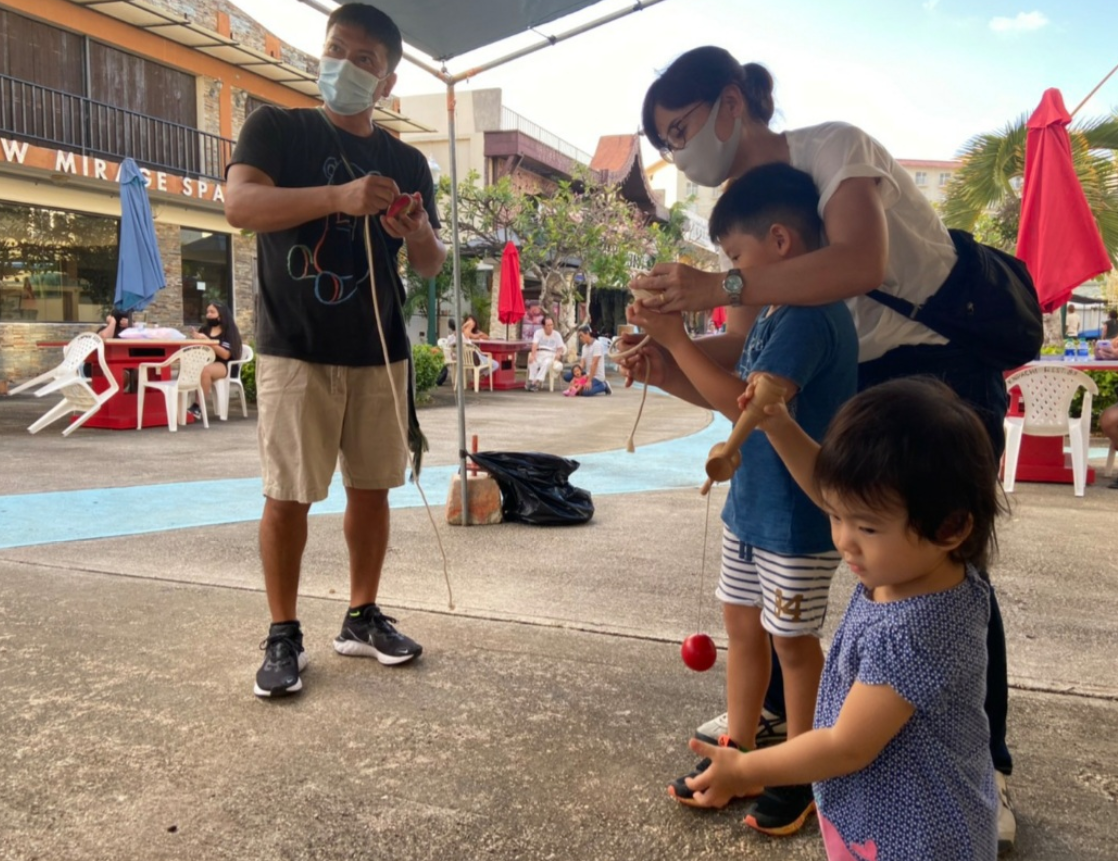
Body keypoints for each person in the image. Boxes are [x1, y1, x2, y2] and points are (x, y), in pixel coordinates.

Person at [626, 46, 1017, 847]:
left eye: (680, 130)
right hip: (856, 377)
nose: (676, 152)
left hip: (936, 365)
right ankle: (795, 739)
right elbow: (747, 360)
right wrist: (667, 354)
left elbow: (858, 262)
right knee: (868, 553)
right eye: (664, 143)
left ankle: (981, 765)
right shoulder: (740, 214)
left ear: (731, 103)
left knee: (944, 561)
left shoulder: (833, 148)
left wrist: (714, 290)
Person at [224, 3, 446, 699]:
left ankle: (361, 615)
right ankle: (282, 631)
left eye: (364, 60)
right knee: (287, 493)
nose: (344, 66)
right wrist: (337, 196)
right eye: (336, 49)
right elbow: (240, 205)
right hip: (296, 346)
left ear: (387, 83)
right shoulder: (277, 128)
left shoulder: (406, 161)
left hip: (380, 350)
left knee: (373, 489)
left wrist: (414, 229)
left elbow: (431, 262)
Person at [687, 377, 1002, 860]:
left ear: (952, 526)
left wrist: (744, 769)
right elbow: (831, 488)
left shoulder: (915, 632)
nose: (843, 541)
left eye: (866, 528)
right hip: (892, 816)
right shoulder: (926, 569)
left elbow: (845, 746)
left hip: (916, 839)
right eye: (837, 517)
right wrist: (779, 426)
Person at [631, 163, 856, 835]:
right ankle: (741, 754)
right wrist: (665, 368)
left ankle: (799, 772)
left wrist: (675, 340)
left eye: (735, 258)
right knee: (742, 630)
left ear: (780, 241)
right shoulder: (779, 314)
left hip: (796, 517)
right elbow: (733, 402)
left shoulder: (810, 317)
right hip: (753, 508)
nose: (732, 273)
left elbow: (751, 407)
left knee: (793, 644)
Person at [186, 302, 244, 421]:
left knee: (205, 371)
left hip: (225, 365)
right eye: (207, 312)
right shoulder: (204, 330)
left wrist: (208, 341)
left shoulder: (229, 332)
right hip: (206, 362)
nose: (208, 315)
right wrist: (196, 340)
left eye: (212, 312)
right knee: (187, 368)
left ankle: (198, 406)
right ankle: (180, 407)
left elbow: (225, 355)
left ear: (221, 315)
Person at [526, 314, 565, 391]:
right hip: (539, 352)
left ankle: (536, 382)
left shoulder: (556, 334)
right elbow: (534, 344)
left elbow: (560, 348)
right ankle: (533, 381)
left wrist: (558, 354)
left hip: (550, 354)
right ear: (543, 326)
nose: (551, 327)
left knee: (546, 363)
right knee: (532, 361)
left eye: (552, 325)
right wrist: (533, 355)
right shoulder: (538, 332)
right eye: (548, 325)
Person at [571, 325, 611, 396]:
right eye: (579, 336)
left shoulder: (597, 344)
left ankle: (604, 385)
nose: (580, 338)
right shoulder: (584, 347)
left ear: (587, 333)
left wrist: (589, 381)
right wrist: (576, 375)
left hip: (597, 376)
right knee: (569, 376)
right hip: (588, 374)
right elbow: (582, 364)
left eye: (581, 335)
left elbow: (594, 363)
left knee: (585, 392)